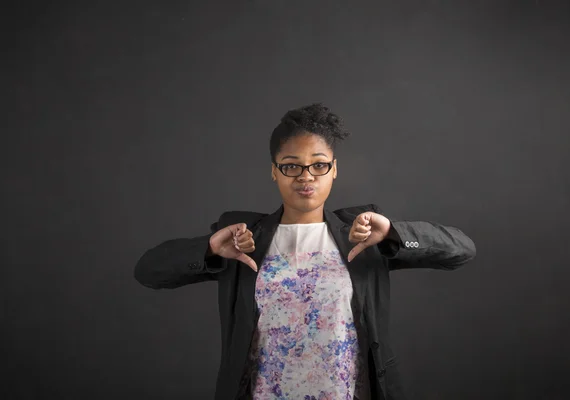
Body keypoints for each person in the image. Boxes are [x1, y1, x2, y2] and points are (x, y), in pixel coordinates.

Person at [134, 103, 476, 400]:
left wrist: (394, 233)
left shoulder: (364, 235)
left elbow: (461, 250)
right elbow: (149, 271)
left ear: (334, 169)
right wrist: (210, 249)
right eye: (291, 165)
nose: (305, 176)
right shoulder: (243, 239)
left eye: (319, 164)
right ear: (275, 171)